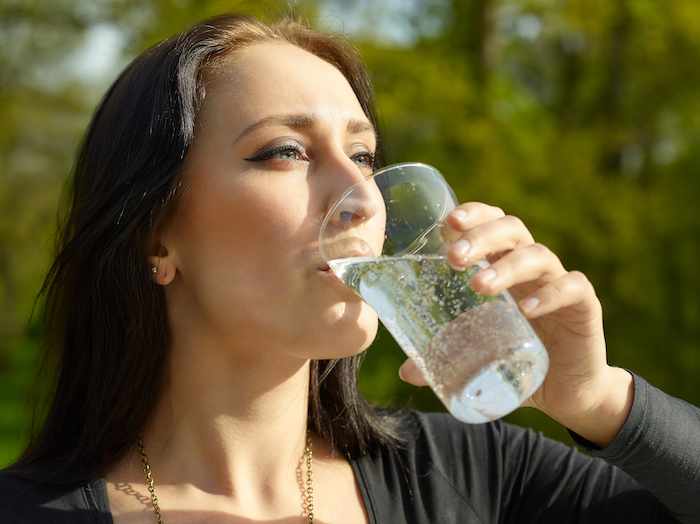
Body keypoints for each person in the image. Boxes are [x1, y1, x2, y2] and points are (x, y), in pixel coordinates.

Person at [0, 12, 698, 524]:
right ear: (156, 237)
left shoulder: (471, 480)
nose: (364, 197)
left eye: (362, 156)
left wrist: (601, 399)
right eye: (285, 152)